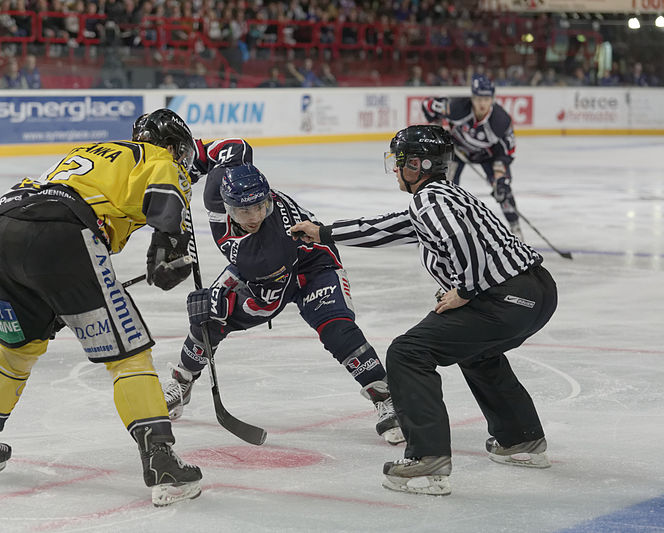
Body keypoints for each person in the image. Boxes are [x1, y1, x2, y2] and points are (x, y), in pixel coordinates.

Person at [0, 109, 203, 507]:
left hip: (3, 232)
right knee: (130, 354)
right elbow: (167, 200)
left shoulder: (92, 150)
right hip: (62, 234)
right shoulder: (157, 157)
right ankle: (162, 464)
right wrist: (171, 242)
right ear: (171, 145)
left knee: (18, 347)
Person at [290, 125, 558, 496]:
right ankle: (520, 440)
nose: (396, 170)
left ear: (417, 164)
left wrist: (465, 290)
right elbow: (387, 228)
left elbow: (458, 240)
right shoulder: (444, 196)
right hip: (535, 292)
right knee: (478, 353)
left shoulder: (429, 202)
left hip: (504, 298)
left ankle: (427, 458)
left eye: (399, 163)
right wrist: (324, 233)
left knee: (407, 352)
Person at [148, 134, 403, 445]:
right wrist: (191, 167)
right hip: (265, 271)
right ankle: (182, 382)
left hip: (312, 267)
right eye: (244, 211)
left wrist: (219, 298)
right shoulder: (221, 186)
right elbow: (234, 147)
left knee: (336, 328)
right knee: (207, 320)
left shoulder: (266, 249)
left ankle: (385, 396)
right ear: (227, 204)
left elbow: (268, 300)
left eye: (260, 206)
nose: (254, 216)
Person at [421, 74, 524, 239]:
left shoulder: (501, 121)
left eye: (486, 99)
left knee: (503, 190)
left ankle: (516, 229)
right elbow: (427, 105)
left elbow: (506, 152)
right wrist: (437, 128)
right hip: (457, 150)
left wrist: (499, 178)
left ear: (492, 99)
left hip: (487, 155)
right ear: (472, 98)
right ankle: (435, 229)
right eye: (478, 98)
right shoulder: (455, 107)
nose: (482, 103)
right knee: (443, 188)